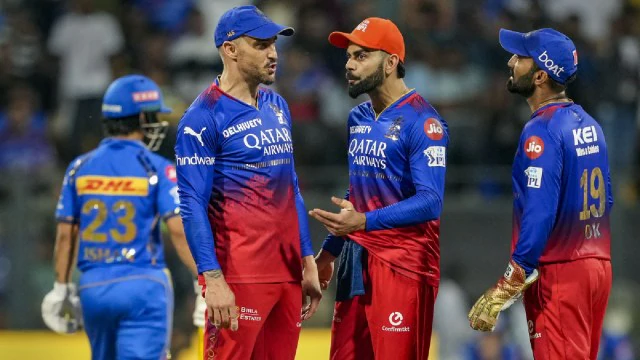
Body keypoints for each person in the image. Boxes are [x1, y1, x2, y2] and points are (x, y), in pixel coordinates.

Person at [174, 5, 322, 360]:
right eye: (260, 44)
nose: (273, 53)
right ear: (230, 49)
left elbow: (292, 189)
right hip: (238, 278)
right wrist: (212, 279)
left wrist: (307, 259)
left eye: (273, 44)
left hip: (287, 276)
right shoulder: (201, 118)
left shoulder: (277, 105)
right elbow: (191, 203)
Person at [468, 28, 613, 360]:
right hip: (597, 264)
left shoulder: (541, 130)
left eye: (520, 58)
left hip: (561, 273)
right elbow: (608, 200)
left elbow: (540, 213)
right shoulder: (590, 124)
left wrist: (505, 287)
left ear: (540, 76)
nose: (510, 61)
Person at [310, 18, 449, 359]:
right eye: (349, 56)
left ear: (390, 63)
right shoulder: (357, 117)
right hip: (356, 263)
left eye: (361, 56)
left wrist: (363, 223)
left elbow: (431, 201)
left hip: (404, 267)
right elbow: (357, 195)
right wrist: (328, 254)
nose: (349, 64)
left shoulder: (424, 122)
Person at [41, 74, 197, 360]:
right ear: (140, 117)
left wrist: (61, 288)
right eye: (152, 115)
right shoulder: (156, 168)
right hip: (143, 285)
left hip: (94, 285)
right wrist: (205, 280)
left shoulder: (79, 167)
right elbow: (178, 230)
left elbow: (66, 235)